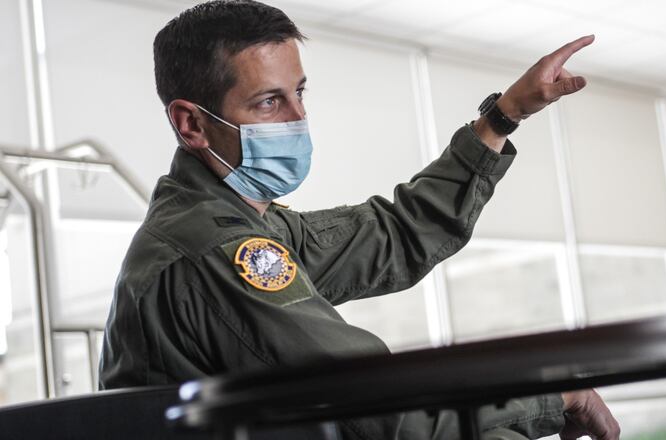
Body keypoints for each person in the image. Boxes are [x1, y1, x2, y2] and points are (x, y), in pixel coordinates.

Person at [99, 1, 620, 439]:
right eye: (269, 102)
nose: (298, 118)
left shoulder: (247, 223)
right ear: (191, 123)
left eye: (299, 92)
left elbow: (396, 232)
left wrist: (503, 115)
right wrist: (556, 394)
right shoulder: (217, 250)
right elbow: (387, 411)